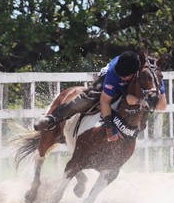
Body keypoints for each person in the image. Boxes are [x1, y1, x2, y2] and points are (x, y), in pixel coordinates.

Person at [34, 51, 166, 141]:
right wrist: (109, 127)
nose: (122, 78)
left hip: (137, 85)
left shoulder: (150, 76)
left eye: (125, 77)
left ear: (136, 73)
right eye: (121, 76)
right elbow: (105, 100)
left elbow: (162, 105)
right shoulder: (114, 74)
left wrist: (144, 101)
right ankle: (53, 117)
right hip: (108, 78)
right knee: (88, 98)